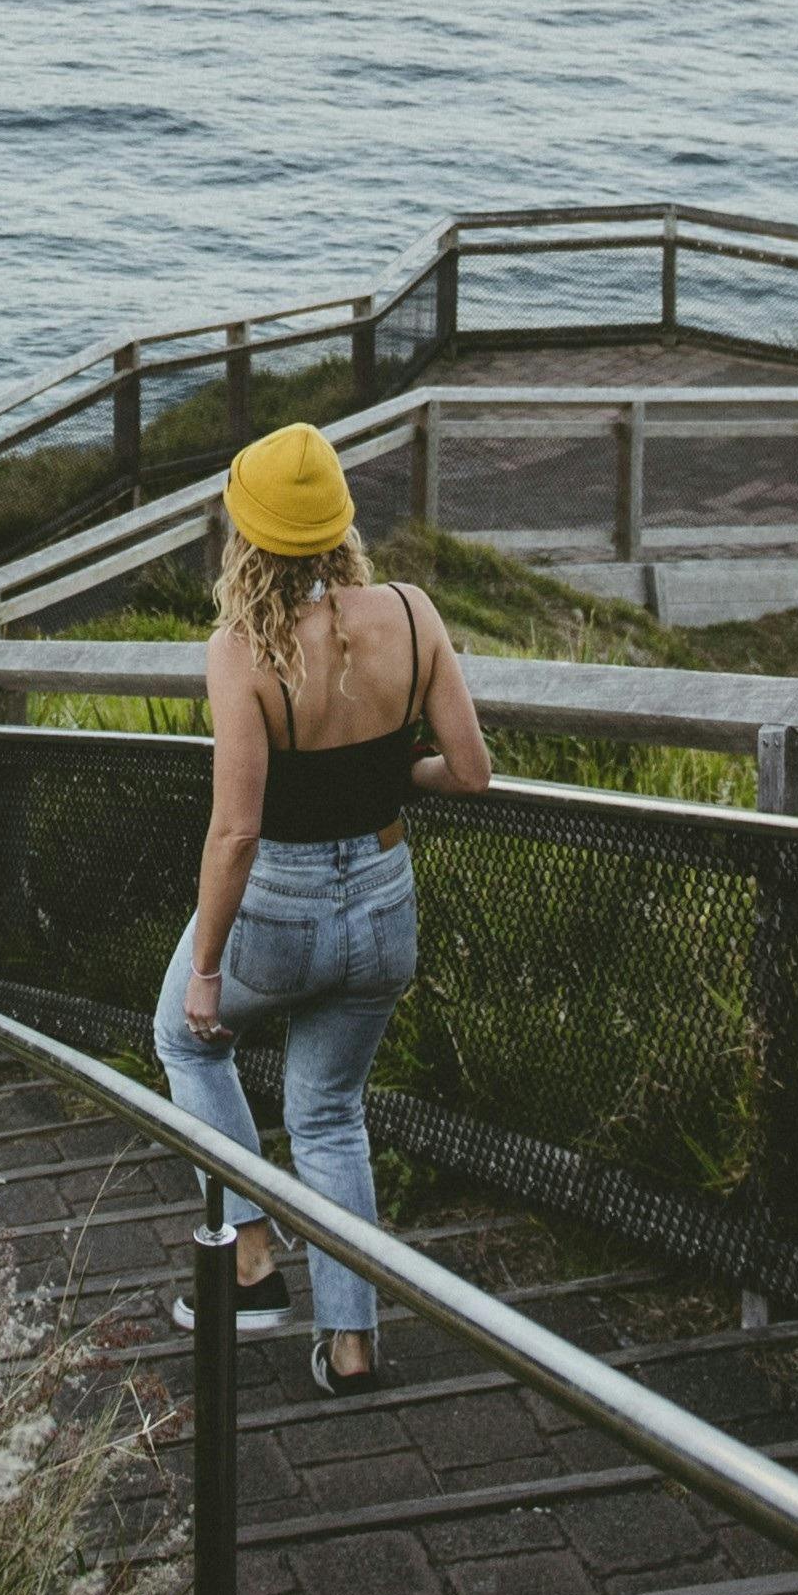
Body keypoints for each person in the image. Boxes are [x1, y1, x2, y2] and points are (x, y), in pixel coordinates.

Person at [159, 422, 492, 1393]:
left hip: (281, 906)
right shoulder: (413, 611)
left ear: (247, 536)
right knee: (331, 1113)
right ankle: (351, 1343)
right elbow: (471, 770)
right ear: (341, 522)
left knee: (185, 1041)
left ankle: (252, 1252)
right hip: (385, 901)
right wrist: (387, 775)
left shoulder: (239, 649)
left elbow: (234, 831)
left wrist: (211, 969)